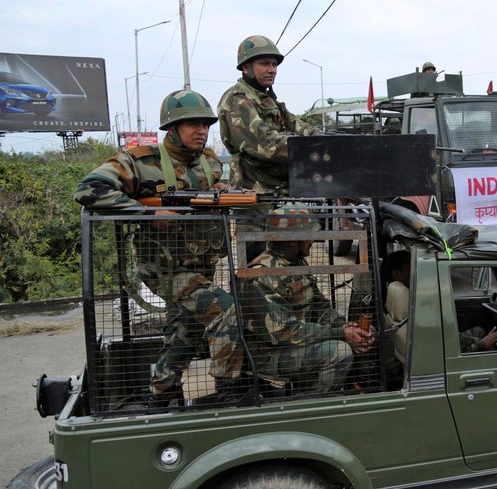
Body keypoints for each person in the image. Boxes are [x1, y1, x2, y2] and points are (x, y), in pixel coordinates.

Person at [74, 89, 232, 402]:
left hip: (202, 266)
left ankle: (163, 392)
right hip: (165, 270)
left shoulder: (210, 162)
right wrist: (146, 213)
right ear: (172, 129)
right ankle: (231, 392)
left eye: (205, 125)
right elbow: (88, 189)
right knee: (228, 312)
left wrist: (218, 191)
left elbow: (203, 189)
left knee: (185, 332)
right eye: (192, 125)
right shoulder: (140, 162)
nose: (201, 131)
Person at [218, 206, 374, 395]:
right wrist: (340, 334)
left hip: (296, 344)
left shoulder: (296, 263)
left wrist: (346, 326)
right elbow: (285, 332)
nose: (313, 240)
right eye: (309, 235)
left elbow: (319, 306)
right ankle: (313, 407)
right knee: (339, 352)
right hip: (267, 356)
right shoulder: (260, 276)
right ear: (292, 241)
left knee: (367, 336)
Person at [217, 35, 319, 194]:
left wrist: (326, 138)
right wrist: (315, 146)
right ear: (246, 68)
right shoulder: (236, 100)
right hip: (256, 196)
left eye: (274, 64)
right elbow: (266, 145)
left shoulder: (267, 100)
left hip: (281, 190)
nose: (272, 70)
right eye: (264, 64)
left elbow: (300, 126)